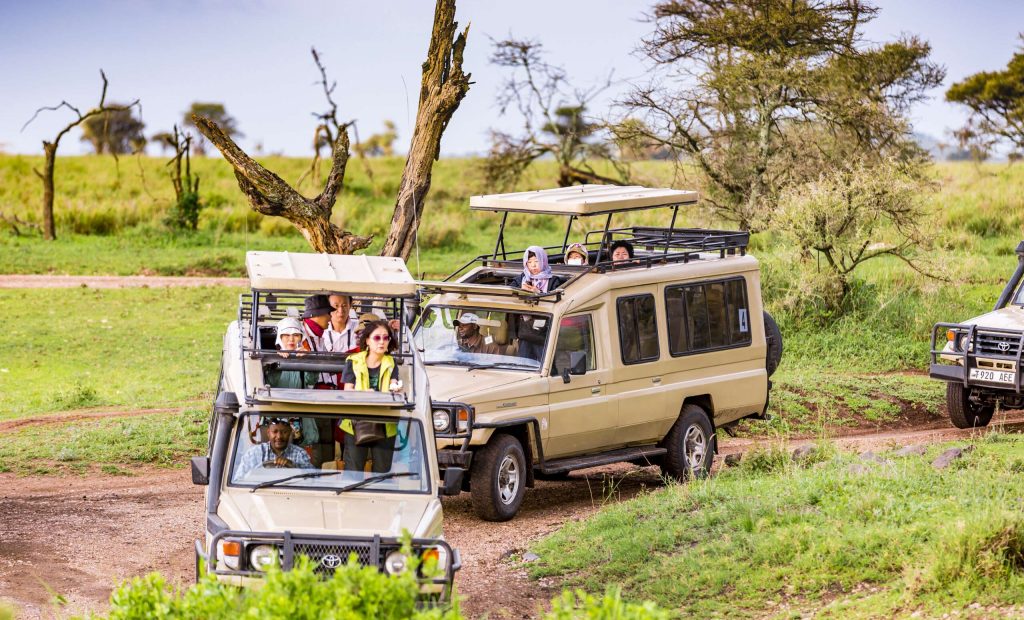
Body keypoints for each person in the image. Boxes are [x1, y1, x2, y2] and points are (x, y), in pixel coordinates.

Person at [340, 320, 403, 473]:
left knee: (382, 471)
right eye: (377, 338)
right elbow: (347, 392)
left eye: (386, 338)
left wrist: (396, 390)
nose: (382, 342)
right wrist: (364, 395)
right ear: (367, 340)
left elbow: (393, 385)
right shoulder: (353, 361)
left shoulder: (391, 362)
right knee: (353, 470)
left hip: (384, 423)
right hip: (355, 423)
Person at [264, 317, 320, 447]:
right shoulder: (271, 357)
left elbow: (312, 380)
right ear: (280, 337)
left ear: (301, 337)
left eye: (295, 335)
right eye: (286, 335)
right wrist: (277, 360)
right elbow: (269, 383)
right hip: (277, 417)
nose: (291, 339)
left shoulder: (304, 357)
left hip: (299, 419)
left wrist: (308, 360)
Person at [235, 418, 315, 478]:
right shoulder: (253, 453)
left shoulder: (300, 454)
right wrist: (256, 471)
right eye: (275, 432)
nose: (279, 436)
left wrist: (294, 467)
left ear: (290, 433)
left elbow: (314, 480)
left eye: (284, 432)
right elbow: (238, 481)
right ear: (268, 433)